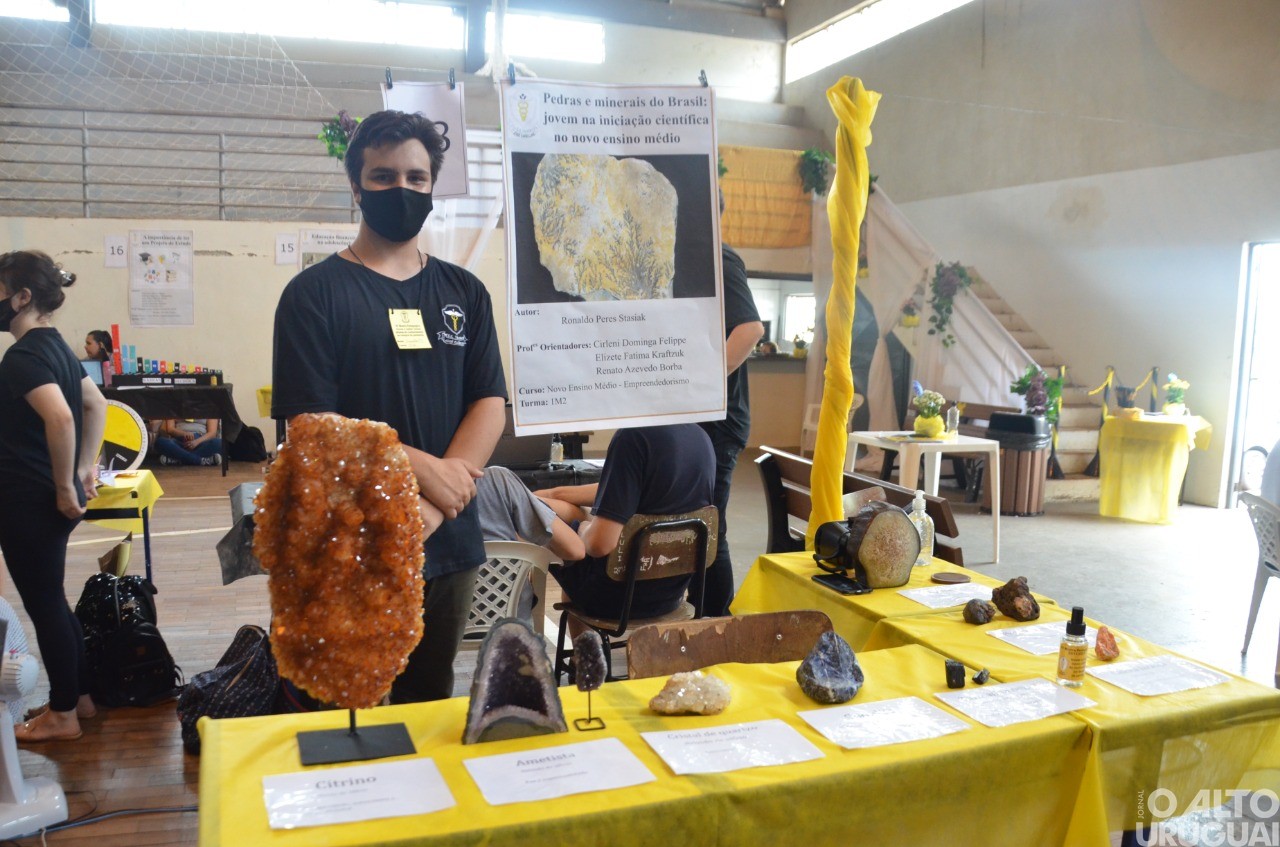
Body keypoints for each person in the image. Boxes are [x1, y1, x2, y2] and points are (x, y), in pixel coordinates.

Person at [272, 110, 507, 704]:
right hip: (349, 544)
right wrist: (424, 478)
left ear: (432, 187)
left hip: (448, 539)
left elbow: (489, 402)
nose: (400, 189)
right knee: (344, 709)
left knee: (428, 706)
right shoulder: (313, 295)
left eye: (415, 177)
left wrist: (434, 505)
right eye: (382, 177)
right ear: (356, 186)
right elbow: (311, 428)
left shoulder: (464, 293)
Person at [0, 250, 106, 742]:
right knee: (53, 602)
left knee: (44, 605)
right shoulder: (57, 345)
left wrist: (68, 483)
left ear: (22, 297)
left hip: (30, 501)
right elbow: (95, 403)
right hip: (48, 502)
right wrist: (84, 468)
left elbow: (62, 416)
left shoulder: (21, 356)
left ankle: (62, 715)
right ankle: (79, 698)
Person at [536, 424, 715, 622]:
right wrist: (555, 494)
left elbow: (598, 545)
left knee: (546, 528)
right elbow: (624, 489)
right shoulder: (701, 437)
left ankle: (582, 649)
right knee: (570, 513)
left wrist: (584, 527)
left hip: (617, 598)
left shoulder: (633, 437)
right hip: (672, 594)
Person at [692, 199, 764, 617]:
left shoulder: (719, 257)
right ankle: (700, 616)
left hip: (719, 421)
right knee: (698, 524)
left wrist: (699, 382)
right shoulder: (691, 259)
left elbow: (750, 329)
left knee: (708, 528)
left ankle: (716, 626)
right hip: (701, 418)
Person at [152, 418, 222, 466]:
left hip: (201, 441)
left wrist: (196, 442)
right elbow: (170, 429)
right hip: (179, 441)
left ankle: (178, 460)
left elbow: (212, 433)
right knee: (160, 442)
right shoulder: (174, 405)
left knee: (219, 443)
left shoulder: (209, 406)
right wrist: (184, 434)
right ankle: (201, 461)